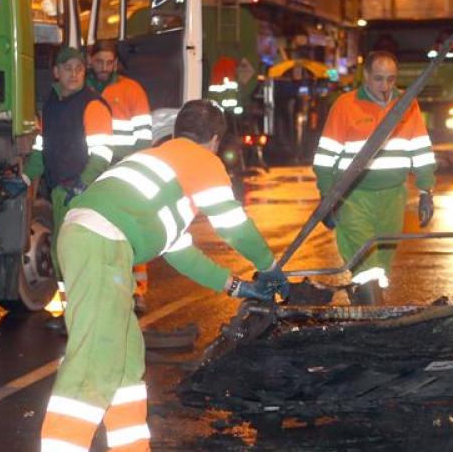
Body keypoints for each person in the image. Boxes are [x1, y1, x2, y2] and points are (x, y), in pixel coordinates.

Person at [39, 100, 287, 452]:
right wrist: (270, 265)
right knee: (94, 362)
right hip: (102, 246)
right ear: (215, 139)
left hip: (93, 242)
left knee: (125, 361)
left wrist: (237, 287)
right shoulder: (201, 161)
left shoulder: (158, 162)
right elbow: (233, 226)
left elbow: (180, 252)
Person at [312, 50, 436, 305]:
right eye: (379, 79)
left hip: (393, 196)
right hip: (354, 198)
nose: (385, 86)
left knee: (380, 265)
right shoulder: (345, 106)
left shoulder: (407, 105)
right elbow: (325, 157)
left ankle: (366, 312)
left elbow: (421, 150)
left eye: (391, 79)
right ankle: (377, 321)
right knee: (366, 264)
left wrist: (426, 192)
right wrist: (327, 196)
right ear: (366, 76)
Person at [22, 47, 114, 327]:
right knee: (61, 254)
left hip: (85, 194)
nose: (74, 74)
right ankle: (72, 312)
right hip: (61, 192)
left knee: (80, 254)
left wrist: (82, 185)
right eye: (68, 68)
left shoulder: (92, 105)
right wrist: (26, 178)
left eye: (79, 69)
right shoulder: (49, 106)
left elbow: (102, 155)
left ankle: (89, 314)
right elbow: (41, 149)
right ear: (56, 73)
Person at [87, 39, 154, 311]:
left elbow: (144, 137)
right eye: (99, 61)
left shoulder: (131, 90)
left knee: (129, 230)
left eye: (109, 62)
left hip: (123, 169)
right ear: (90, 61)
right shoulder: (83, 89)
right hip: (93, 168)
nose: (104, 67)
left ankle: (137, 291)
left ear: (116, 62)